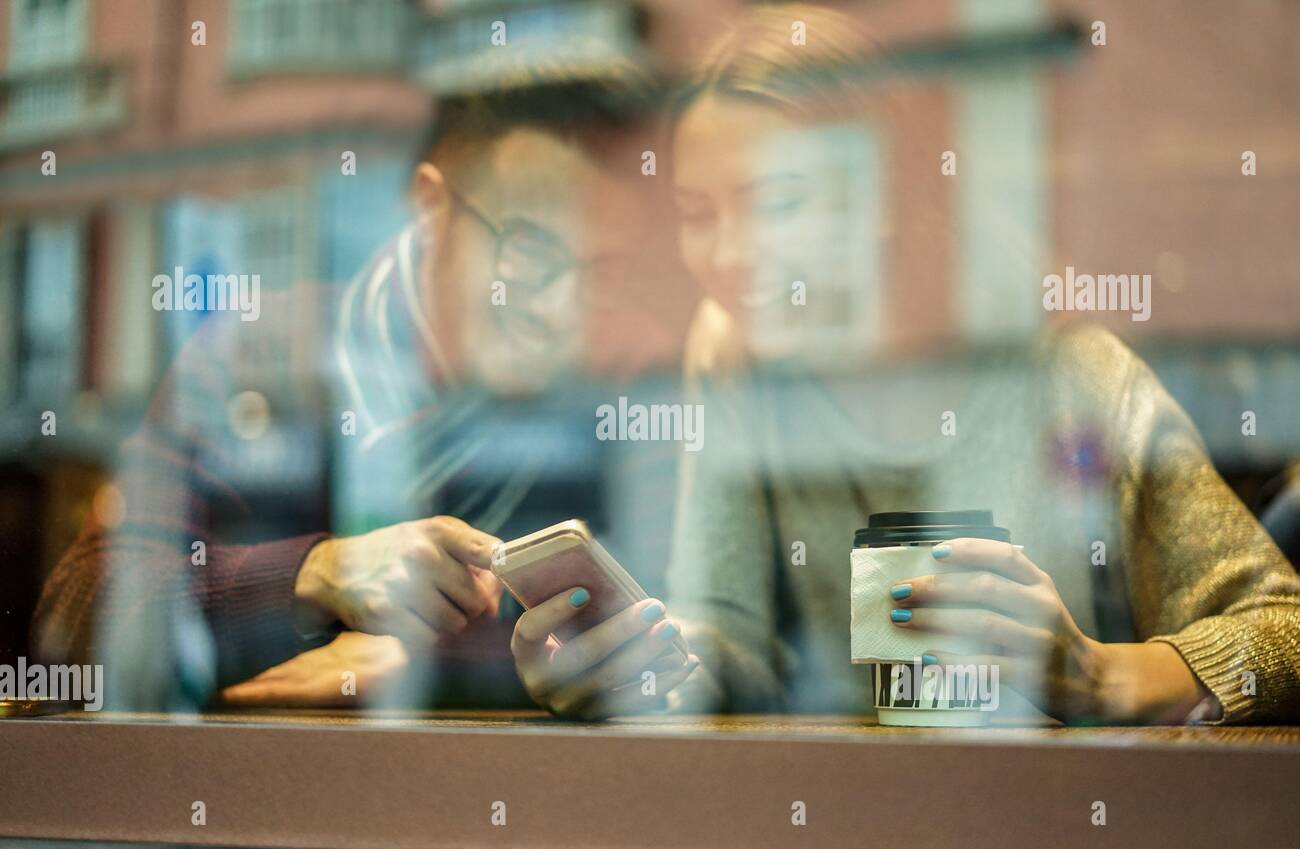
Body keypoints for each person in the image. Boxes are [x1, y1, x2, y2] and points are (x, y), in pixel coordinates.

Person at [660, 4, 1300, 724]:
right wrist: (643, 663)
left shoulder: (1068, 370)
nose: (727, 256)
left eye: (776, 203)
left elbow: (1284, 635)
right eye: (695, 214)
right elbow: (729, 637)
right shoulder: (730, 350)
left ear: (881, 191)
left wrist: (1101, 675)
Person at [31, 65, 699, 718]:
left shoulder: (625, 384)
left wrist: (469, 664)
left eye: (600, 270)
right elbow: (77, 621)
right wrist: (323, 573)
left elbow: (704, 628)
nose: (566, 309)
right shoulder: (262, 358)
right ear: (435, 209)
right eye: (535, 252)